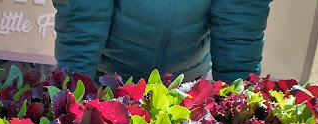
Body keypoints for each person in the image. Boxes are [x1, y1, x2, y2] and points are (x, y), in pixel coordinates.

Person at [52, 0, 272, 83]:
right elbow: (83, 19)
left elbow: (239, 23)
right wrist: (72, 95)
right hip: (110, 86)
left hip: (187, 91)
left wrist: (235, 102)